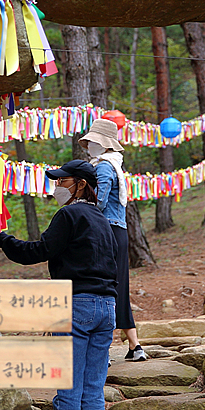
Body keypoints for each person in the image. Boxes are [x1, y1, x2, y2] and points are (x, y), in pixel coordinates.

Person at [0, 159, 117, 410]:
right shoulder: (102, 218)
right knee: (92, 390)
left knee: (68, 387)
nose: (56, 186)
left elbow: (38, 251)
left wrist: (2, 238)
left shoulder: (69, 214)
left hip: (76, 305)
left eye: (62, 181)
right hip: (107, 307)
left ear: (79, 184)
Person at [79, 118, 148, 362]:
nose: (88, 146)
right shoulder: (114, 164)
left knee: (104, 289)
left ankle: (103, 349)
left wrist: (80, 207)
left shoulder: (104, 166)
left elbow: (101, 202)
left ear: (103, 144)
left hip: (105, 233)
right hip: (118, 232)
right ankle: (135, 345)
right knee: (118, 287)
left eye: (92, 142)